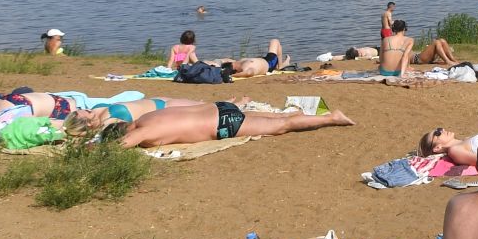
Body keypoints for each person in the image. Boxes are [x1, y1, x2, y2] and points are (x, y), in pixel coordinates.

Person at [115, 102, 353, 148]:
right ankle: (310, 115)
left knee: (282, 126)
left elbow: (125, 143)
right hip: (218, 107)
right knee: (272, 120)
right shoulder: (147, 117)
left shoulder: (144, 131)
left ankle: (331, 118)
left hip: (223, 123)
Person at [220, 39, 286, 78]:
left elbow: (226, 61)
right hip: (270, 64)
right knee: (275, 41)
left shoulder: (237, 62)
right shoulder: (245, 68)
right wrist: (233, 76)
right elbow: (249, 73)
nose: (231, 61)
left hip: (265, 59)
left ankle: (280, 65)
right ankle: (279, 66)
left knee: (278, 45)